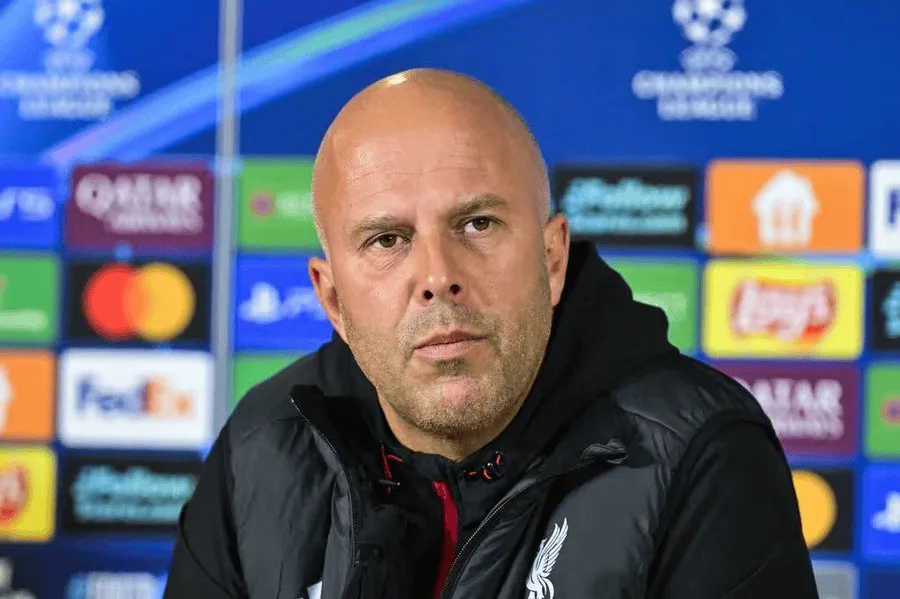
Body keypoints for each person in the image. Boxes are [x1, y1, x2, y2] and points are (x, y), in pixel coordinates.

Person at [164, 69, 819, 599]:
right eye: (388, 240)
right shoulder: (263, 445)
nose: (437, 277)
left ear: (552, 259)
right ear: (331, 298)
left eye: (477, 224)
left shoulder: (698, 452)